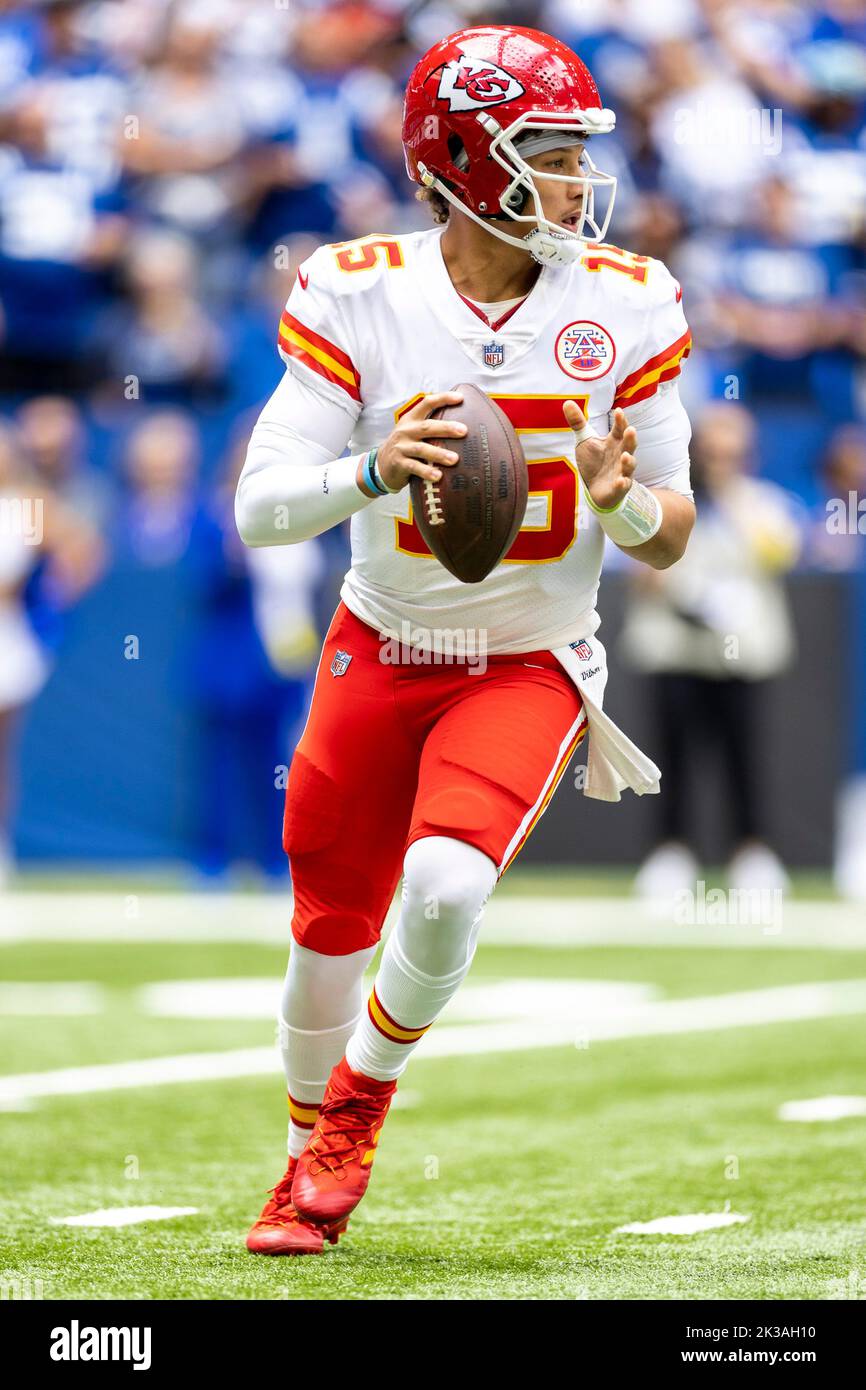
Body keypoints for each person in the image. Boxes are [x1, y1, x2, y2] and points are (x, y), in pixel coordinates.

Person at [235, 24, 695, 1256]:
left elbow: (668, 538)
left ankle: (358, 1108)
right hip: (378, 644)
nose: (570, 179)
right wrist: (372, 467)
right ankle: (294, 1161)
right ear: (456, 160)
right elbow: (260, 506)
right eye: (542, 150)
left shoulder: (629, 299)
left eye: (571, 151)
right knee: (328, 929)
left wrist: (619, 503)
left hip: (529, 659)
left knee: (443, 884)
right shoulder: (357, 286)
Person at [622, 401, 801, 900]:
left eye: (732, 454)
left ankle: (752, 854)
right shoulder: (668, 503)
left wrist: (731, 499)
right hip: (677, 649)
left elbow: (778, 552)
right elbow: (642, 576)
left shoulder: (763, 502)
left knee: (744, 758)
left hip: (740, 654)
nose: (721, 462)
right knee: (672, 760)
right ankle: (670, 854)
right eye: (713, 453)